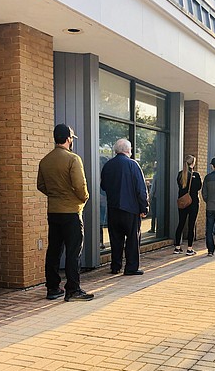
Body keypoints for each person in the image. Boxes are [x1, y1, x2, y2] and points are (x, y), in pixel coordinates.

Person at [37, 124, 93, 302]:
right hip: (71, 212)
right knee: (73, 252)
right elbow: (79, 185)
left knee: (53, 250)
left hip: (53, 211)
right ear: (69, 139)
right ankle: (73, 289)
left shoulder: (45, 160)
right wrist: (83, 198)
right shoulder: (73, 159)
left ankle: (53, 288)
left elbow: (41, 185)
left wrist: (55, 195)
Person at [101, 138, 149, 275]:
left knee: (115, 239)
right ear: (128, 150)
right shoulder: (133, 165)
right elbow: (141, 189)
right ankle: (131, 267)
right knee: (133, 239)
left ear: (116, 150)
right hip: (130, 209)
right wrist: (144, 207)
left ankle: (115, 266)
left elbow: (103, 186)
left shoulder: (108, 165)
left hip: (113, 208)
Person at [174, 155, 202, 256]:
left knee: (180, 223)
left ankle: (177, 247)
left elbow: (179, 186)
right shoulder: (196, 175)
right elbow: (199, 187)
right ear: (192, 163)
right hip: (193, 202)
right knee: (191, 225)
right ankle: (189, 249)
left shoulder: (180, 174)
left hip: (182, 202)